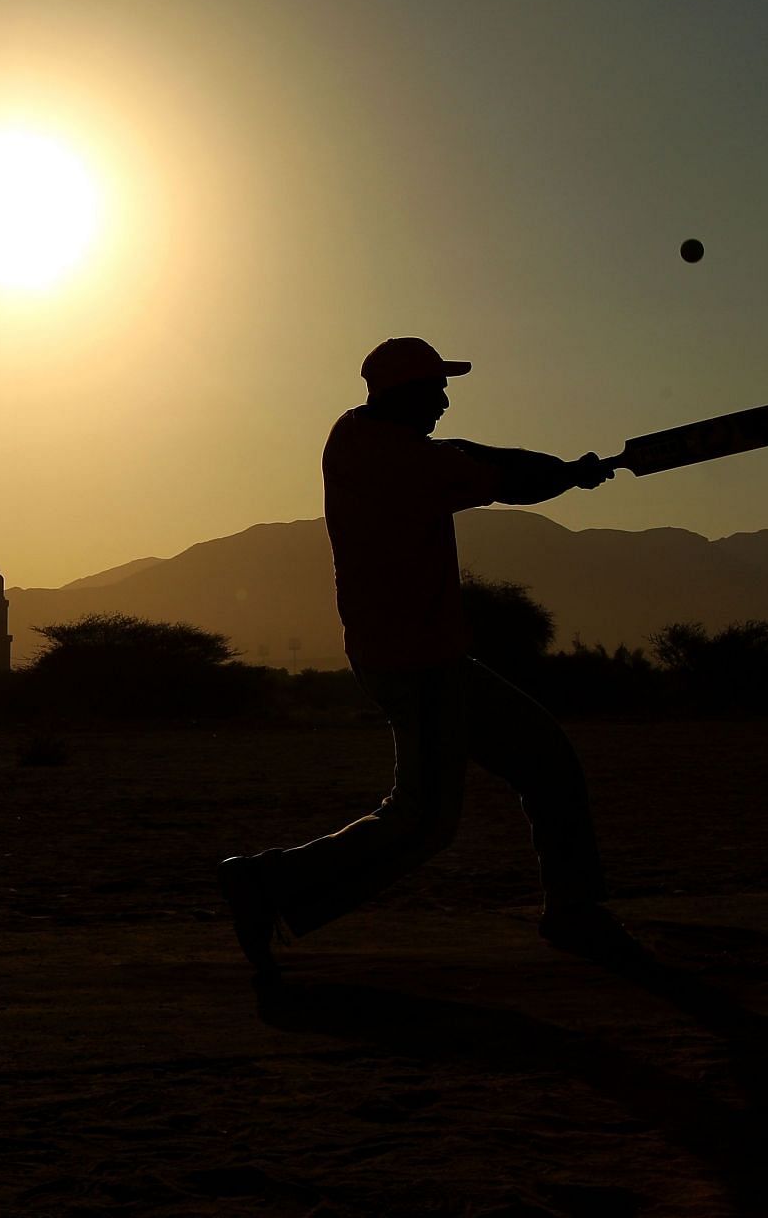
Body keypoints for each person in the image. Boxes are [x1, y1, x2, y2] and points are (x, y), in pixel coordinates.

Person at [219, 336, 625, 973]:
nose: (444, 399)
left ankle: (574, 908)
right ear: (404, 394)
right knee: (423, 822)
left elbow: (472, 453)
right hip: (417, 660)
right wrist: (568, 475)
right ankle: (263, 884)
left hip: (415, 655)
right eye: (435, 388)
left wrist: (564, 467)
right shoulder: (404, 464)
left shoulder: (352, 433)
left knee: (545, 762)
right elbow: (502, 478)